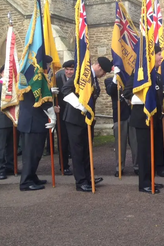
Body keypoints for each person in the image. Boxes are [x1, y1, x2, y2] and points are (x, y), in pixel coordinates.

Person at [61, 56, 111, 192]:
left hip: (87, 120)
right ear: (99, 67)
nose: (104, 75)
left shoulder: (93, 78)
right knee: (78, 151)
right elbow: (65, 90)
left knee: (87, 150)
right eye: (104, 72)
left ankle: (88, 177)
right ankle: (81, 181)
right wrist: (80, 106)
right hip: (75, 119)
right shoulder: (82, 74)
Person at [124, 46, 164, 194]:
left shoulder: (155, 74)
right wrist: (145, 101)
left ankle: (150, 180)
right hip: (142, 118)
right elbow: (127, 93)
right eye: (159, 54)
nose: (161, 57)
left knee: (152, 151)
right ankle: (144, 183)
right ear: (150, 55)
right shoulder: (139, 74)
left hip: (154, 118)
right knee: (144, 152)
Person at [18, 55, 56, 191]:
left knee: (36, 153)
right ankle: (26, 182)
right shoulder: (36, 79)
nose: (48, 68)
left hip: (34, 122)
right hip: (32, 123)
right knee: (31, 154)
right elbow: (41, 99)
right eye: (47, 65)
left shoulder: (33, 79)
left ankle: (32, 176)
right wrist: (53, 115)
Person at [105, 65, 138, 177]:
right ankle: (120, 167)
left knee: (135, 143)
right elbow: (110, 91)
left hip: (133, 113)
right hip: (120, 115)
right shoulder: (109, 80)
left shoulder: (132, 78)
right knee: (120, 143)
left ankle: (137, 166)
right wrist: (116, 77)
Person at [55, 60, 75, 175]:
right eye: (67, 69)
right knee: (63, 140)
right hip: (61, 114)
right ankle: (64, 166)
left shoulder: (78, 80)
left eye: (71, 69)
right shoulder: (57, 80)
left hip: (74, 114)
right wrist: (54, 105)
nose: (69, 72)